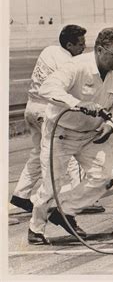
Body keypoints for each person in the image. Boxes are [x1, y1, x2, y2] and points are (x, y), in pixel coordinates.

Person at [28, 27, 113, 245]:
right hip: (61, 133)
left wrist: (111, 124)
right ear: (100, 50)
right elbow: (47, 88)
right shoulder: (76, 66)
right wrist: (77, 104)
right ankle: (35, 228)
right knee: (52, 183)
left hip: (92, 134)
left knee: (105, 177)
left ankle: (63, 211)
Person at [10, 25, 87, 213]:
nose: (84, 47)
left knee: (38, 153)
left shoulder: (49, 50)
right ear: (69, 44)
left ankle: (21, 193)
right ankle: (80, 199)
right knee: (65, 153)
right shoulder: (69, 63)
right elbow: (71, 91)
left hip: (31, 108)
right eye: (81, 44)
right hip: (46, 111)